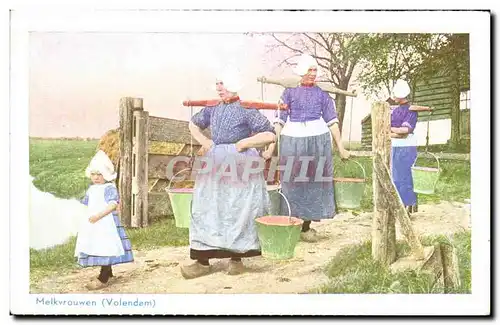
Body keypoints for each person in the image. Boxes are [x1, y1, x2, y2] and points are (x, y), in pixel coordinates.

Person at [181, 69, 276, 279]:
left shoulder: (246, 109)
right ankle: (202, 261)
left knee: (237, 208)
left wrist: (246, 142)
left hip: (240, 163)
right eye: (217, 83)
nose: (218, 87)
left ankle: (236, 259)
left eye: (222, 83)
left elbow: (270, 134)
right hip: (215, 162)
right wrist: (205, 142)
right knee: (207, 207)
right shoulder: (212, 108)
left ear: (233, 84)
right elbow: (193, 124)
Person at [262, 54, 350, 243]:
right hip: (293, 141)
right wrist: (271, 147)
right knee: (293, 182)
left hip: (317, 141)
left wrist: (341, 147)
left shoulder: (322, 94)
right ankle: (291, 223)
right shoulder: (288, 93)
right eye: (309, 70)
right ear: (301, 71)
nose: (312, 74)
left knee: (312, 183)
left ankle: (306, 226)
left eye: (315, 70)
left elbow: (333, 123)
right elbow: (278, 122)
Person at [74, 150, 134, 290]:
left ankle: (104, 276)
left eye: (99, 174)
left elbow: (113, 205)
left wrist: (99, 216)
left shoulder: (109, 188)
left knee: (106, 245)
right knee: (98, 245)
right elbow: (85, 203)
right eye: (93, 174)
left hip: (106, 223)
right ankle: (109, 272)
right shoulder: (92, 188)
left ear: (106, 174)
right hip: (94, 224)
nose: (96, 177)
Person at [390, 79, 419, 214]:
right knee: (397, 177)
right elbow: (398, 132)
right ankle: (402, 205)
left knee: (406, 176)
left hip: (407, 146)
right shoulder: (394, 111)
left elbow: (405, 131)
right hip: (396, 146)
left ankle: (409, 205)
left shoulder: (411, 110)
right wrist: (396, 132)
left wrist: (391, 130)